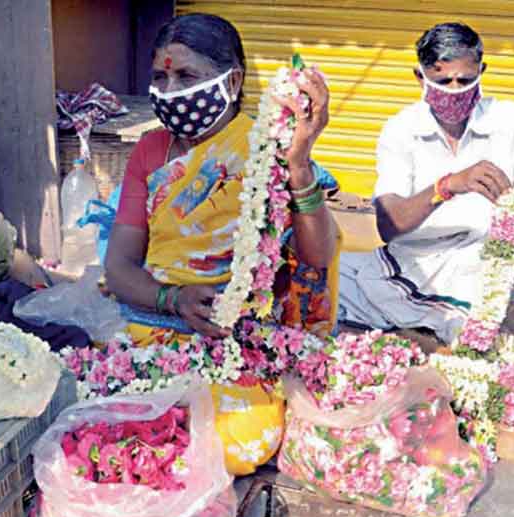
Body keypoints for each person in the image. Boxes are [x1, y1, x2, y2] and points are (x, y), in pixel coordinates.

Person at [104, 13, 340, 474]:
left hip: (240, 338)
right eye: (159, 76)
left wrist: (299, 161)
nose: (168, 90)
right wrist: (172, 299)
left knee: (237, 441)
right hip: (156, 321)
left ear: (231, 82)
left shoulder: (267, 146)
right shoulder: (150, 151)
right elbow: (119, 267)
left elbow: (318, 256)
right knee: (121, 425)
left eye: (185, 76)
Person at [338, 22, 514, 343]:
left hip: (487, 254)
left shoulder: (512, 118)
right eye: (442, 81)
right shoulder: (401, 130)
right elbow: (387, 222)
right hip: (415, 258)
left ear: (481, 71)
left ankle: (504, 290)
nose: (454, 89)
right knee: (334, 286)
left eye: (465, 80)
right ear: (419, 77)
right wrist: (447, 186)